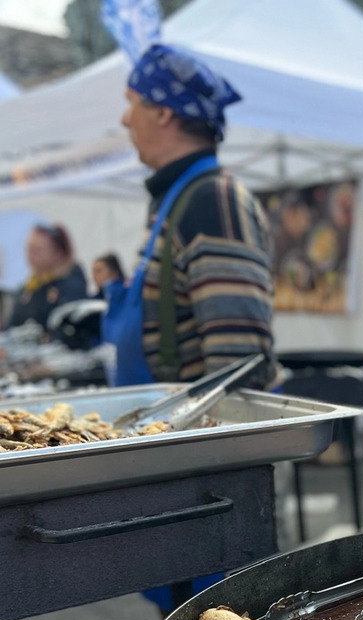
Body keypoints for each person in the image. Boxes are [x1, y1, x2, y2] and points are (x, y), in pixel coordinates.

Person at [104, 43, 275, 386]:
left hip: (197, 422)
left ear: (163, 112)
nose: (125, 119)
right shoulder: (178, 197)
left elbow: (239, 368)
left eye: (131, 102)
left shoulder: (213, 201)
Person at [4, 224, 88, 331]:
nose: (30, 255)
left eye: (37, 250)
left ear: (57, 252)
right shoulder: (30, 285)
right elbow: (12, 323)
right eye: (28, 249)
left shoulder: (71, 283)